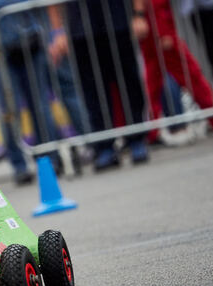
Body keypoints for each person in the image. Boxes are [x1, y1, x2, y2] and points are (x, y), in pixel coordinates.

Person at [49, 0, 149, 171]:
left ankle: (137, 139)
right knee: (92, 92)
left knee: (129, 83)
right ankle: (104, 146)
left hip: (119, 21)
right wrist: (58, 31)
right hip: (80, 28)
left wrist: (138, 14)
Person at [0, 0, 62, 185]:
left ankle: (50, 158)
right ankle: (19, 166)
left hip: (32, 46)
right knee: (8, 112)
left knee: (40, 105)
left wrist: (52, 37)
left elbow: (42, 9)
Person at [139, 0, 213, 143]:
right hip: (155, 22)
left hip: (154, 22)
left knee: (156, 80)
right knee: (185, 74)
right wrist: (163, 31)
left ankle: (153, 130)